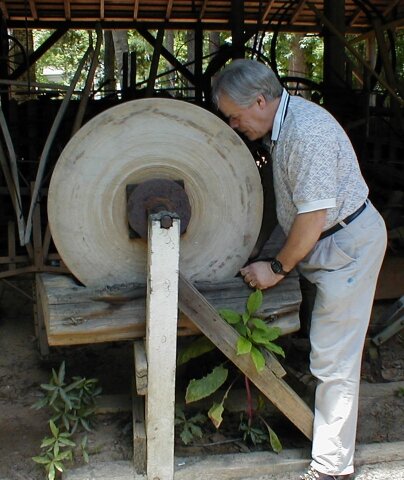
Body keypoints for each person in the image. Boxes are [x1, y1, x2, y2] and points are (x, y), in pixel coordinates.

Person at [212, 59, 387, 480]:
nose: (233, 125)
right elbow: (289, 204)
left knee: (335, 359)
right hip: (323, 241)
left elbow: (311, 218)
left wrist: (275, 267)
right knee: (323, 348)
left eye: (234, 116)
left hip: (345, 245)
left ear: (259, 101)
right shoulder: (282, 128)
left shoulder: (308, 133)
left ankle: (331, 468)